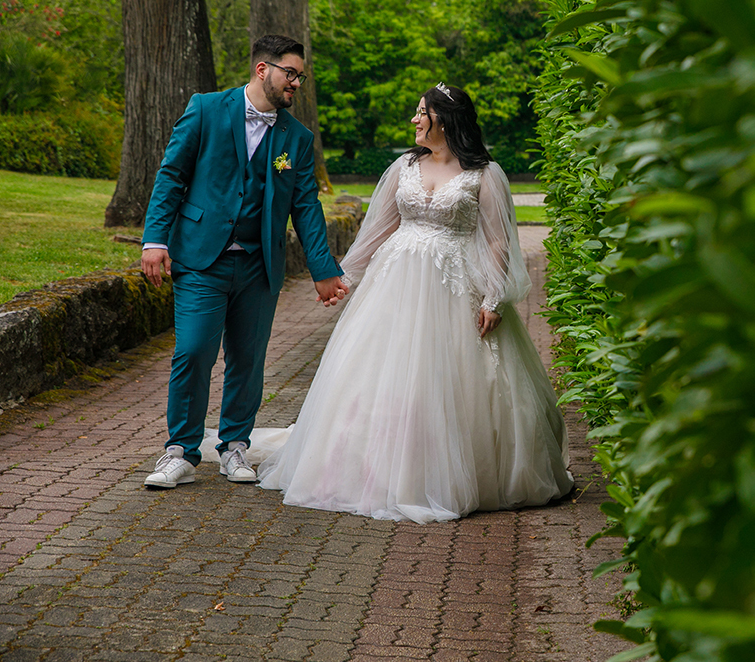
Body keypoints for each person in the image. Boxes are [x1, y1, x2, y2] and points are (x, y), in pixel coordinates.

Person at [256, 83, 574, 523]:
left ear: (445, 119)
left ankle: (449, 470)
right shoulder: (404, 165)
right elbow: (378, 229)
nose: (415, 120)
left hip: (454, 287)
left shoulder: (484, 174)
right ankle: (369, 467)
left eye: (422, 112)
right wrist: (343, 278)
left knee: (451, 376)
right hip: (395, 284)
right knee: (381, 371)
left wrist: (494, 298)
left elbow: (497, 241)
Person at [140, 34, 348, 489]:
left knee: (248, 359)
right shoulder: (206, 109)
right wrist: (155, 239)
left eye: (300, 76)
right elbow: (171, 176)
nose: (296, 83)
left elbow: (306, 207)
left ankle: (234, 446)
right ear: (262, 69)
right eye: (290, 73)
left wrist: (324, 270)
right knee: (193, 350)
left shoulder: (297, 137)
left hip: (259, 266)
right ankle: (179, 452)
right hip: (201, 258)